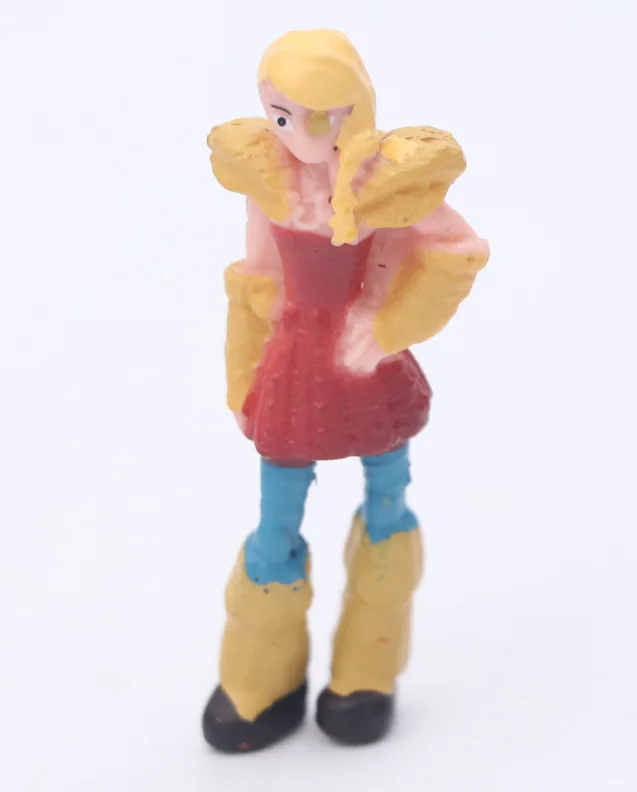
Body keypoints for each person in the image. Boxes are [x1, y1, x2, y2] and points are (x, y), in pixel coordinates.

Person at [203, 28, 490, 752]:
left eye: (318, 115)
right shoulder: (271, 182)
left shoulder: (381, 182)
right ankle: (258, 680)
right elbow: (257, 277)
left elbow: (459, 248)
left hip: (365, 366)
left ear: (352, 109)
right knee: (274, 527)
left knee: (387, 502)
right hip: (294, 361)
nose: (296, 133)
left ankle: (366, 673)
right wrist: (243, 372)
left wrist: (389, 326)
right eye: (279, 113)